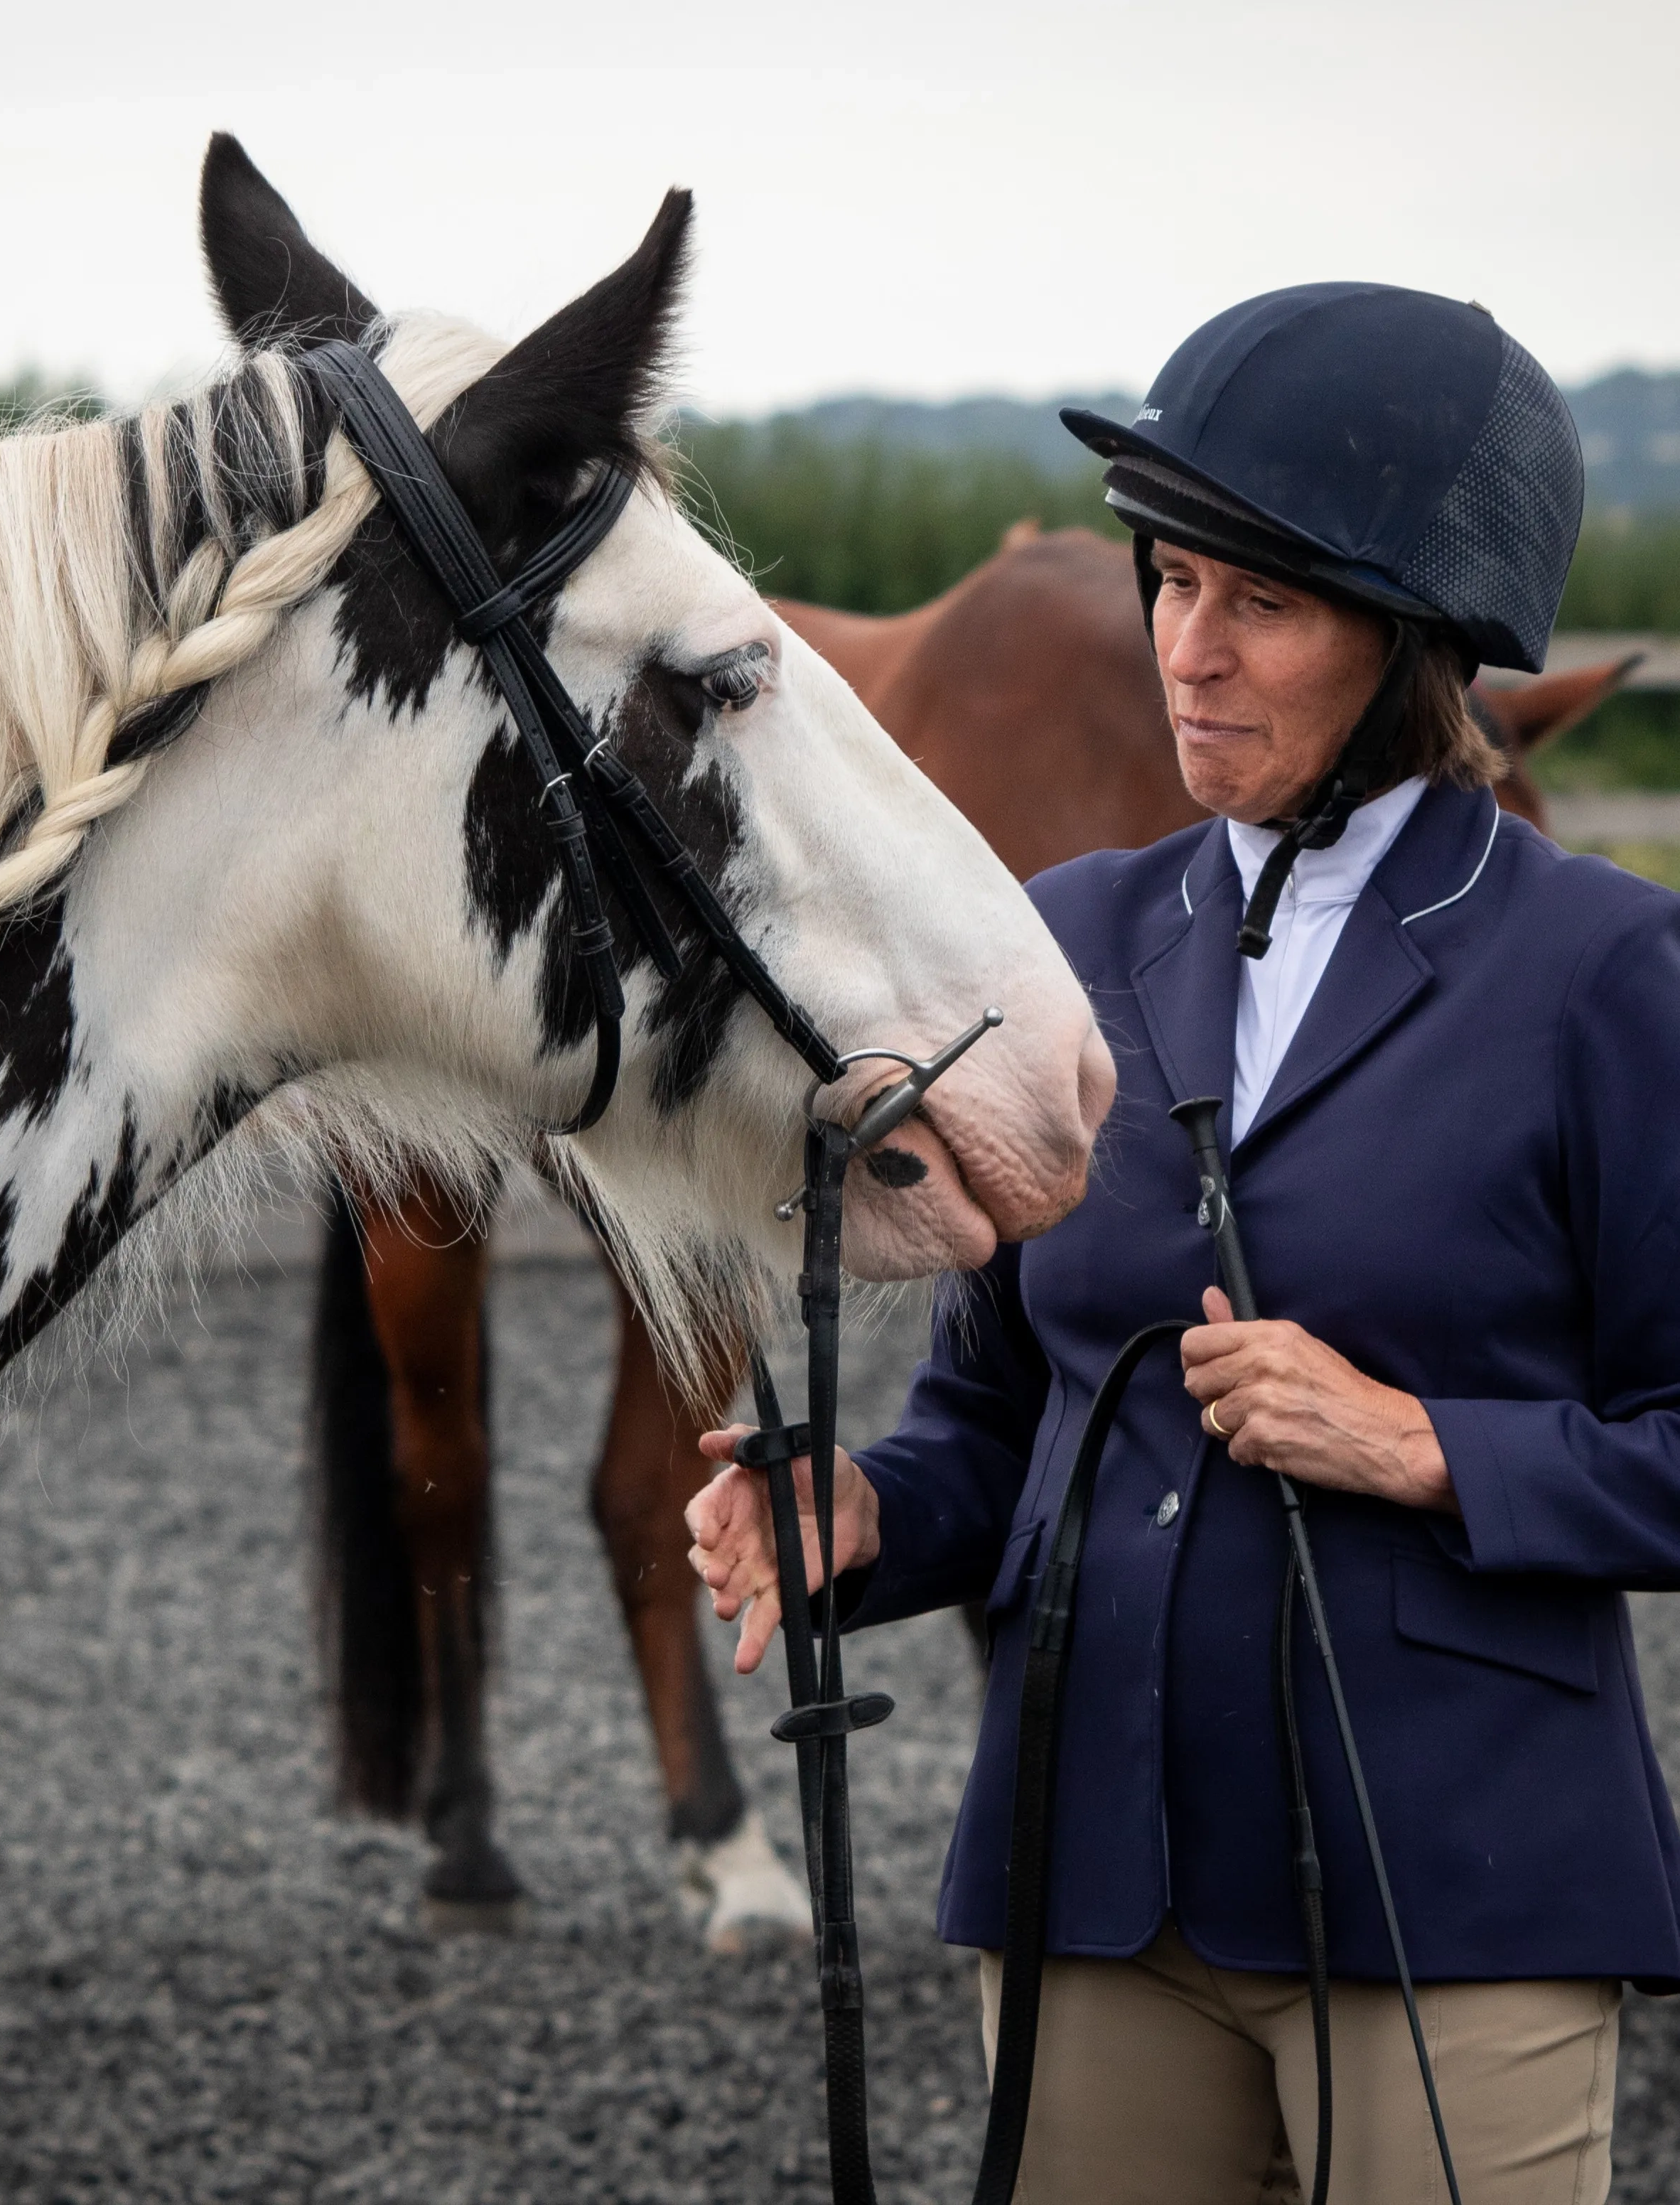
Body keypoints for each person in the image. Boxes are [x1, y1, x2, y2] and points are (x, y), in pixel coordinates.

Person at [685, 283, 1680, 2205]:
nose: (1185, 653)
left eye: (1260, 603)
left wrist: (1421, 1444)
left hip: (1454, 1894)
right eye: (1168, 582)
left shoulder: (1604, 975)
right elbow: (999, 1409)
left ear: (1413, 645)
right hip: (1090, 1876)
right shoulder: (1058, 935)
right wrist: (868, 1513)